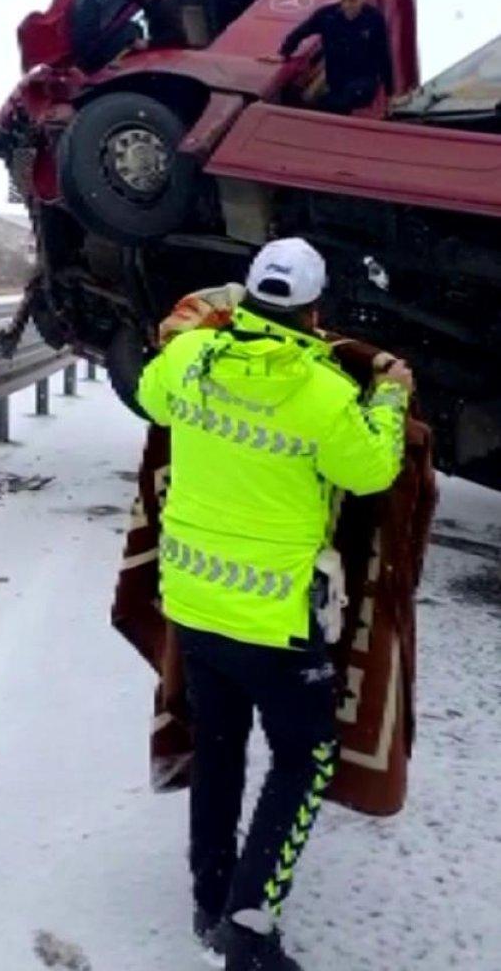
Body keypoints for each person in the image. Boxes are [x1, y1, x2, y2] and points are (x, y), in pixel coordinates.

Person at [119, 238, 413, 970]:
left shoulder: (193, 361)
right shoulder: (323, 393)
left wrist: (197, 328)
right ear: (315, 311)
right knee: (304, 760)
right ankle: (248, 928)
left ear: (246, 297)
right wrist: (390, 394)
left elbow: (149, 392)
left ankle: (210, 897)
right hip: (275, 618)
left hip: (194, 601)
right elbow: (373, 470)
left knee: (219, 750)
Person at [279, 0, 395, 114]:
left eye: (353, 1)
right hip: (335, 75)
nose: (347, 6)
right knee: (302, 98)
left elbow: (383, 55)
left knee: (339, 102)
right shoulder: (327, 15)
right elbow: (300, 32)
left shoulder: (374, 19)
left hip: (363, 78)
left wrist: (390, 92)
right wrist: (284, 53)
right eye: (344, 0)